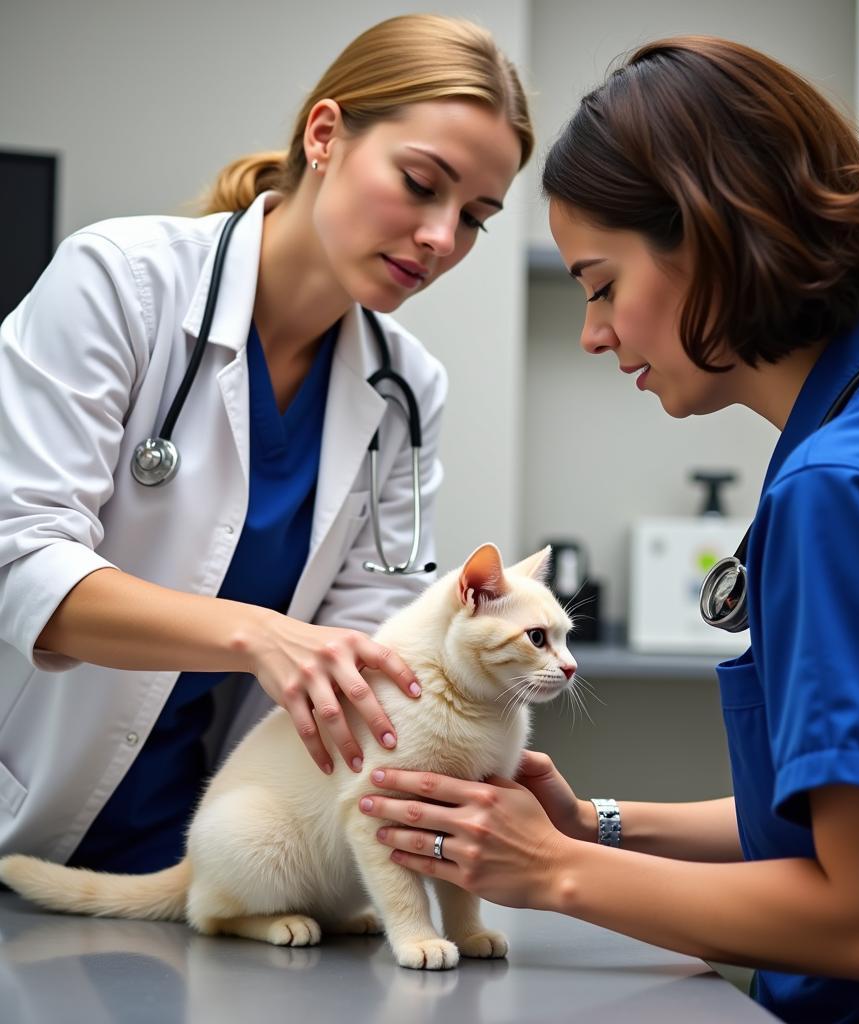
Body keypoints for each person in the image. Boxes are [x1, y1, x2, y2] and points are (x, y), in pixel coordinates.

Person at [358, 36, 859, 1022]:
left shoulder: (845, 489)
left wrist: (550, 872)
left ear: (707, 236)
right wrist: (597, 825)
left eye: (600, 283)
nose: (593, 331)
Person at [0, 14, 531, 875]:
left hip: (216, 847)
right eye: (420, 183)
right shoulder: (119, 283)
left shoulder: (404, 388)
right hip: (25, 808)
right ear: (325, 135)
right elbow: (21, 570)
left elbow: (373, 635)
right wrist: (257, 634)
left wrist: (463, 741)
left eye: (475, 216)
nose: (442, 238)